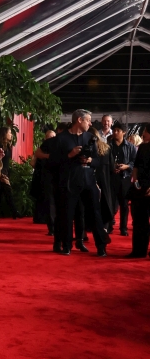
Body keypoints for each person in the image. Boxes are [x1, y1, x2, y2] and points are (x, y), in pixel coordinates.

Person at [54, 109, 108, 257]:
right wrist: (70, 155)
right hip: (69, 182)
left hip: (88, 181)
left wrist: (90, 160)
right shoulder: (61, 138)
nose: (90, 123)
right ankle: (66, 246)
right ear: (79, 120)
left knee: (95, 214)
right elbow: (53, 162)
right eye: (88, 120)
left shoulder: (90, 137)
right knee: (67, 215)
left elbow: (98, 161)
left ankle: (101, 247)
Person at [110, 121, 136, 236]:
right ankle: (109, 225)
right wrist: (112, 167)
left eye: (118, 131)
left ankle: (123, 228)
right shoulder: (108, 146)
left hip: (125, 178)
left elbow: (135, 162)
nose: (115, 132)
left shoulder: (130, 146)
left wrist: (127, 166)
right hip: (111, 178)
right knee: (111, 203)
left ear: (124, 132)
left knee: (124, 204)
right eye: (114, 130)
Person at [128, 123, 150, 258]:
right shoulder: (142, 147)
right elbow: (135, 166)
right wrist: (135, 181)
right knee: (139, 221)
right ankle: (139, 251)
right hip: (140, 188)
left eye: (145, 131)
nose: (143, 134)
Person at [91, 130, 117, 233]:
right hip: (105, 181)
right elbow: (112, 167)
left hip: (91, 179)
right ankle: (105, 226)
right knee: (104, 203)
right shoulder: (106, 148)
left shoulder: (87, 148)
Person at [32, 127, 56, 235]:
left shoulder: (59, 147)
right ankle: (50, 226)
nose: (50, 139)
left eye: (52, 137)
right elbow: (33, 162)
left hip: (56, 178)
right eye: (49, 137)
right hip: (43, 177)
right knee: (47, 201)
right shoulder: (41, 149)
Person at [0, 126, 20, 219]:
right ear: (4, 134)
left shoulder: (8, 146)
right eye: (9, 133)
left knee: (1, 193)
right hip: (0, 172)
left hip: (5, 171)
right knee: (7, 192)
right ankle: (14, 212)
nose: (11, 135)